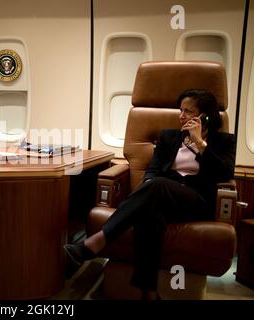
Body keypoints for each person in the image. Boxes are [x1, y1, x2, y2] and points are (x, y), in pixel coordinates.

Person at [64, 89, 236, 299]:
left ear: (205, 116)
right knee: (149, 216)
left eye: (188, 111)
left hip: (195, 201)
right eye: (180, 110)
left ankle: (97, 240)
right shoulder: (169, 137)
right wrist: (147, 190)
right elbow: (153, 171)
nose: (181, 115)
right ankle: (150, 293)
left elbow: (225, 173)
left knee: (157, 185)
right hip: (161, 197)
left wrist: (200, 143)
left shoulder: (224, 141)